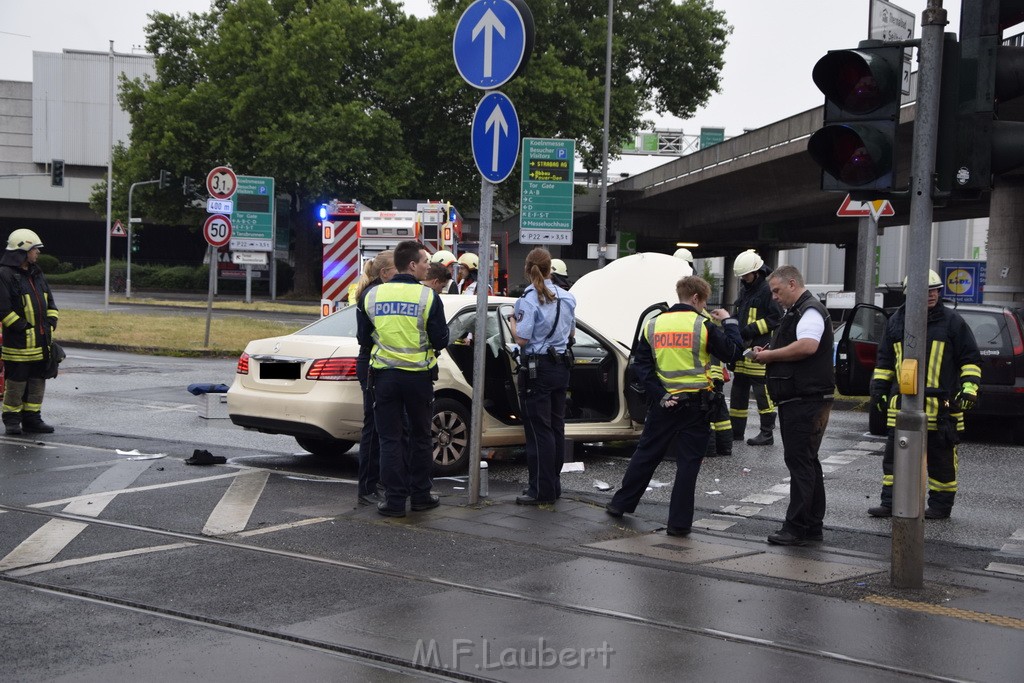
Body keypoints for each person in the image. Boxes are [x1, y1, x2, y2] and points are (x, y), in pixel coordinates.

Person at [606, 276, 744, 534]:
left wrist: (660, 394)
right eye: (703, 302)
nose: (703, 307)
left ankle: (620, 504)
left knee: (646, 454)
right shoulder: (703, 325)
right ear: (695, 298)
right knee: (688, 465)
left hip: (664, 404)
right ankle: (678, 525)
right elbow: (735, 352)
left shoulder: (654, 324)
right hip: (696, 406)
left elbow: (642, 367)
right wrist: (729, 320)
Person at [867, 270, 981, 520]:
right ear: (910, 294)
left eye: (936, 290)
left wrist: (970, 388)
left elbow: (970, 360)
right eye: (927, 290)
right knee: (895, 459)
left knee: (942, 461)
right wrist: (879, 392)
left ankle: (940, 506)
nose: (932, 295)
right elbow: (885, 361)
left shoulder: (953, 322)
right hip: (903, 406)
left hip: (941, 407)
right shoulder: (897, 321)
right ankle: (890, 502)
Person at [358, 241, 449, 517]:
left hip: (384, 377)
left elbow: (363, 338)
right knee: (421, 437)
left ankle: (395, 501)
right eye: (424, 262)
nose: (427, 266)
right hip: (418, 378)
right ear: (412, 265)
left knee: (389, 439)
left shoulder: (372, 296)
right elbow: (441, 339)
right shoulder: (428, 297)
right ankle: (420, 495)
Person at [750, 265, 834, 546]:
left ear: (793, 284)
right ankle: (812, 525)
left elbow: (808, 345)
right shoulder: (800, 311)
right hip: (802, 398)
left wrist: (770, 355)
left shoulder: (808, 310)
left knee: (800, 463)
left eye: (777, 290)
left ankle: (795, 527)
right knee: (808, 462)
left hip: (804, 399)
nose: (774, 296)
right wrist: (771, 352)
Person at [507, 247, 576, 505]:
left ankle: (540, 490)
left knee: (538, 431)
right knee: (556, 427)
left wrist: (512, 322)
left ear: (528, 269)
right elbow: (570, 335)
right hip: (561, 368)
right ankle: (553, 486)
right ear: (551, 269)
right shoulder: (567, 298)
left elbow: (522, 339)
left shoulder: (528, 299)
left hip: (538, 369)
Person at [672, 248, 733, 454]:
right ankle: (723, 447)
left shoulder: (681, 301)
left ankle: (710, 448)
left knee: (706, 412)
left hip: (698, 371)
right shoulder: (701, 311)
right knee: (718, 409)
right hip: (710, 367)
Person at [0, 229, 59, 435]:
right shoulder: (5, 275)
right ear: (23, 250)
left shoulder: (37, 273)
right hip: (18, 345)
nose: (38, 253)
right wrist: (22, 327)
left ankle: (32, 419)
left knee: (36, 382)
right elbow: (3, 309)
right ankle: (12, 420)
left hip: (41, 343)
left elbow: (49, 300)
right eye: (35, 249)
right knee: (16, 384)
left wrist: (52, 319)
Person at [353, 251, 395, 505]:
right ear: (385, 273)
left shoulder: (374, 292)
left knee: (378, 426)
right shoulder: (373, 295)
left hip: (371, 362)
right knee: (373, 427)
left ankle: (373, 483)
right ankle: (367, 487)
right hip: (370, 363)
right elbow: (364, 337)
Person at [730, 249, 782, 446]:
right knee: (738, 392)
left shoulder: (767, 291)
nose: (743, 278)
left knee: (762, 393)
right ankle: (736, 432)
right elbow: (739, 313)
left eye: (746, 275)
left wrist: (750, 329)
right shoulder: (746, 289)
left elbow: (776, 318)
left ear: (757, 272)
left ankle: (766, 433)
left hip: (759, 348)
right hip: (743, 349)